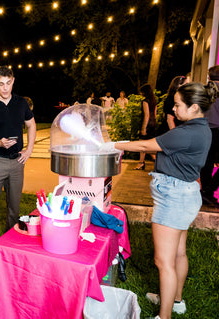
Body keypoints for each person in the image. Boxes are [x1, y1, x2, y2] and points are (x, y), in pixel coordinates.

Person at [102, 81, 218, 319]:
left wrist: (111, 145)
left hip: (173, 198)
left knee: (163, 261)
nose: (173, 109)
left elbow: (147, 145)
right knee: (179, 253)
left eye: (177, 105)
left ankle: (163, 316)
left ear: (194, 107)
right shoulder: (202, 128)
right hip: (185, 194)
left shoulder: (187, 133)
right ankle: (176, 300)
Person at [0, 66, 36, 257]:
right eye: (0, 84)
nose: (5, 88)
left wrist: (29, 150)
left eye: (8, 83)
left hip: (17, 161)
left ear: (13, 81)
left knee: (14, 206)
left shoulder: (21, 103)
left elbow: (31, 125)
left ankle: (11, 239)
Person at [200, 65, 219, 206]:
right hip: (218, 130)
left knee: (207, 163)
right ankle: (208, 190)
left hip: (204, 129)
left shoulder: (203, 91)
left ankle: (207, 193)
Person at [135, 84, 157, 170]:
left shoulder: (145, 101)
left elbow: (147, 115)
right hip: (153, 123)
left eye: (142, 92)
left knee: (142, 144)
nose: (141, 93)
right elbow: (154, 115)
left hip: (147, 124)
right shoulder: (154, 101)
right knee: (147, 143)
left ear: (145, 92)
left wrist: (143, 127)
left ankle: (141, 163)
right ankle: (154, 159)